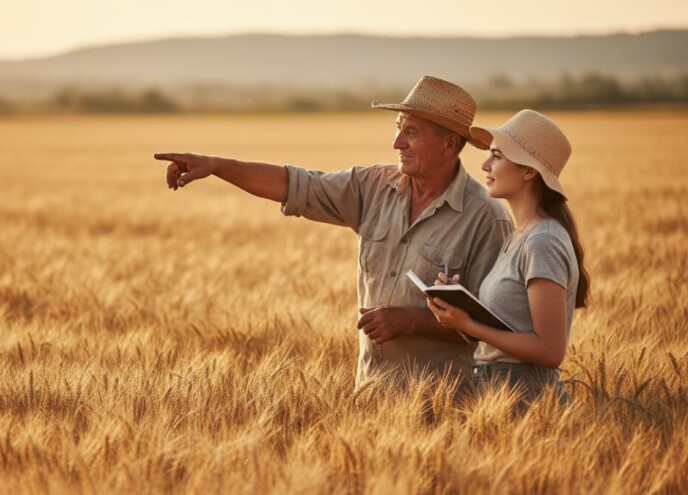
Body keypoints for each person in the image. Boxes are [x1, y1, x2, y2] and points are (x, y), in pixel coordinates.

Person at [154, 76, 513, 392]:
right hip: (370, 395)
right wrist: (217, 166)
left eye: (411, 132)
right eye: (398, 127)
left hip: (446, 407)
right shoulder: (373, 186)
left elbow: (498, 325)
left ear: (450, 144)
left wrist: (409, 321)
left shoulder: (485, 218)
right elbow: (297, 185)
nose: (397, 143)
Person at [427, 109, 590, 404]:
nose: (485, 164)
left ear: (529, 171)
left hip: (526, 396)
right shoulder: (519, 237)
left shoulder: (543, 242)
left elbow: (550, 351)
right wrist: (459, 302)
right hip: (498, 390)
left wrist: (467, 324)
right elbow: (509, 328)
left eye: (497, 156)